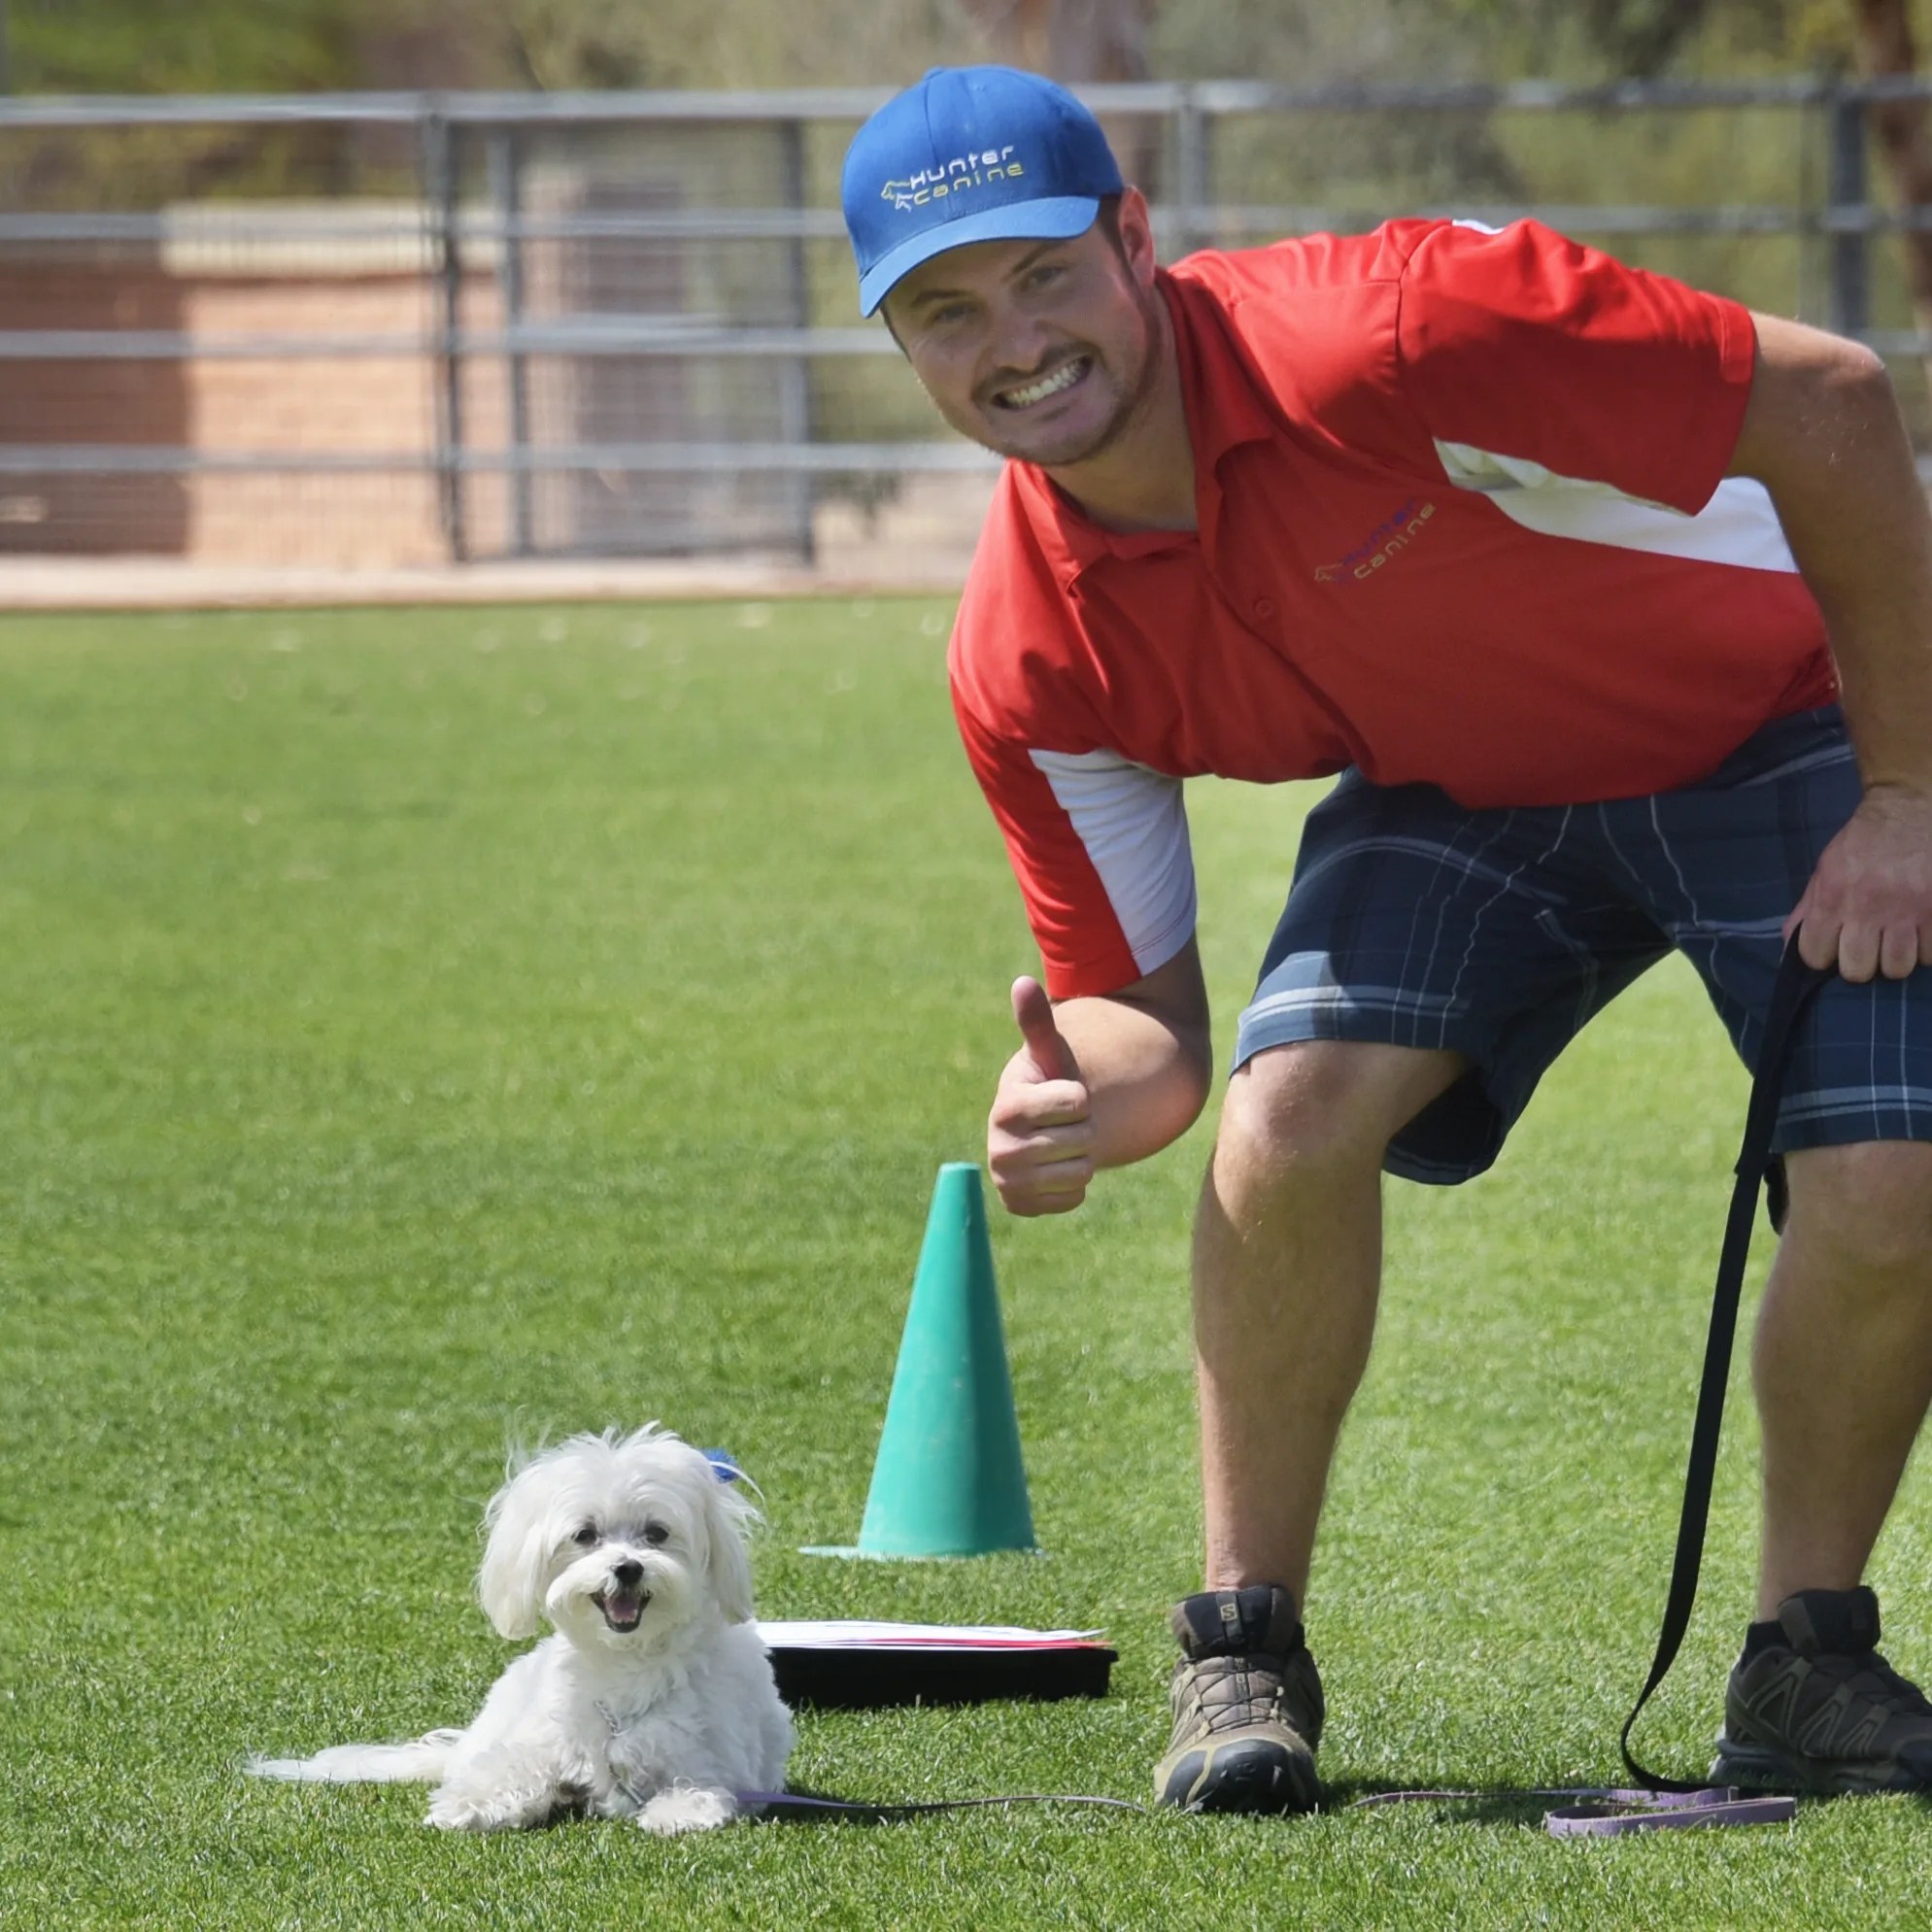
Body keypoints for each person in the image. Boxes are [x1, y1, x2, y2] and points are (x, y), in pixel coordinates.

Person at [840, 63, 1932, 1813]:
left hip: (1786, 712)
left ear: (1135, 240)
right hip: (1458, 783)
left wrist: (1909, 796)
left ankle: (1804, 1662)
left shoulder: (1394, 335)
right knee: (1284, 1122)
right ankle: (1240, 1655)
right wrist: (1077, 1106)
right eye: (948, 311)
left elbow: (1834, 403)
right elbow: (1143, 1027)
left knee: (1893, 1176)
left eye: (1045, 273)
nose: (1015, 340)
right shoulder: (1027, 657)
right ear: (904, 349)